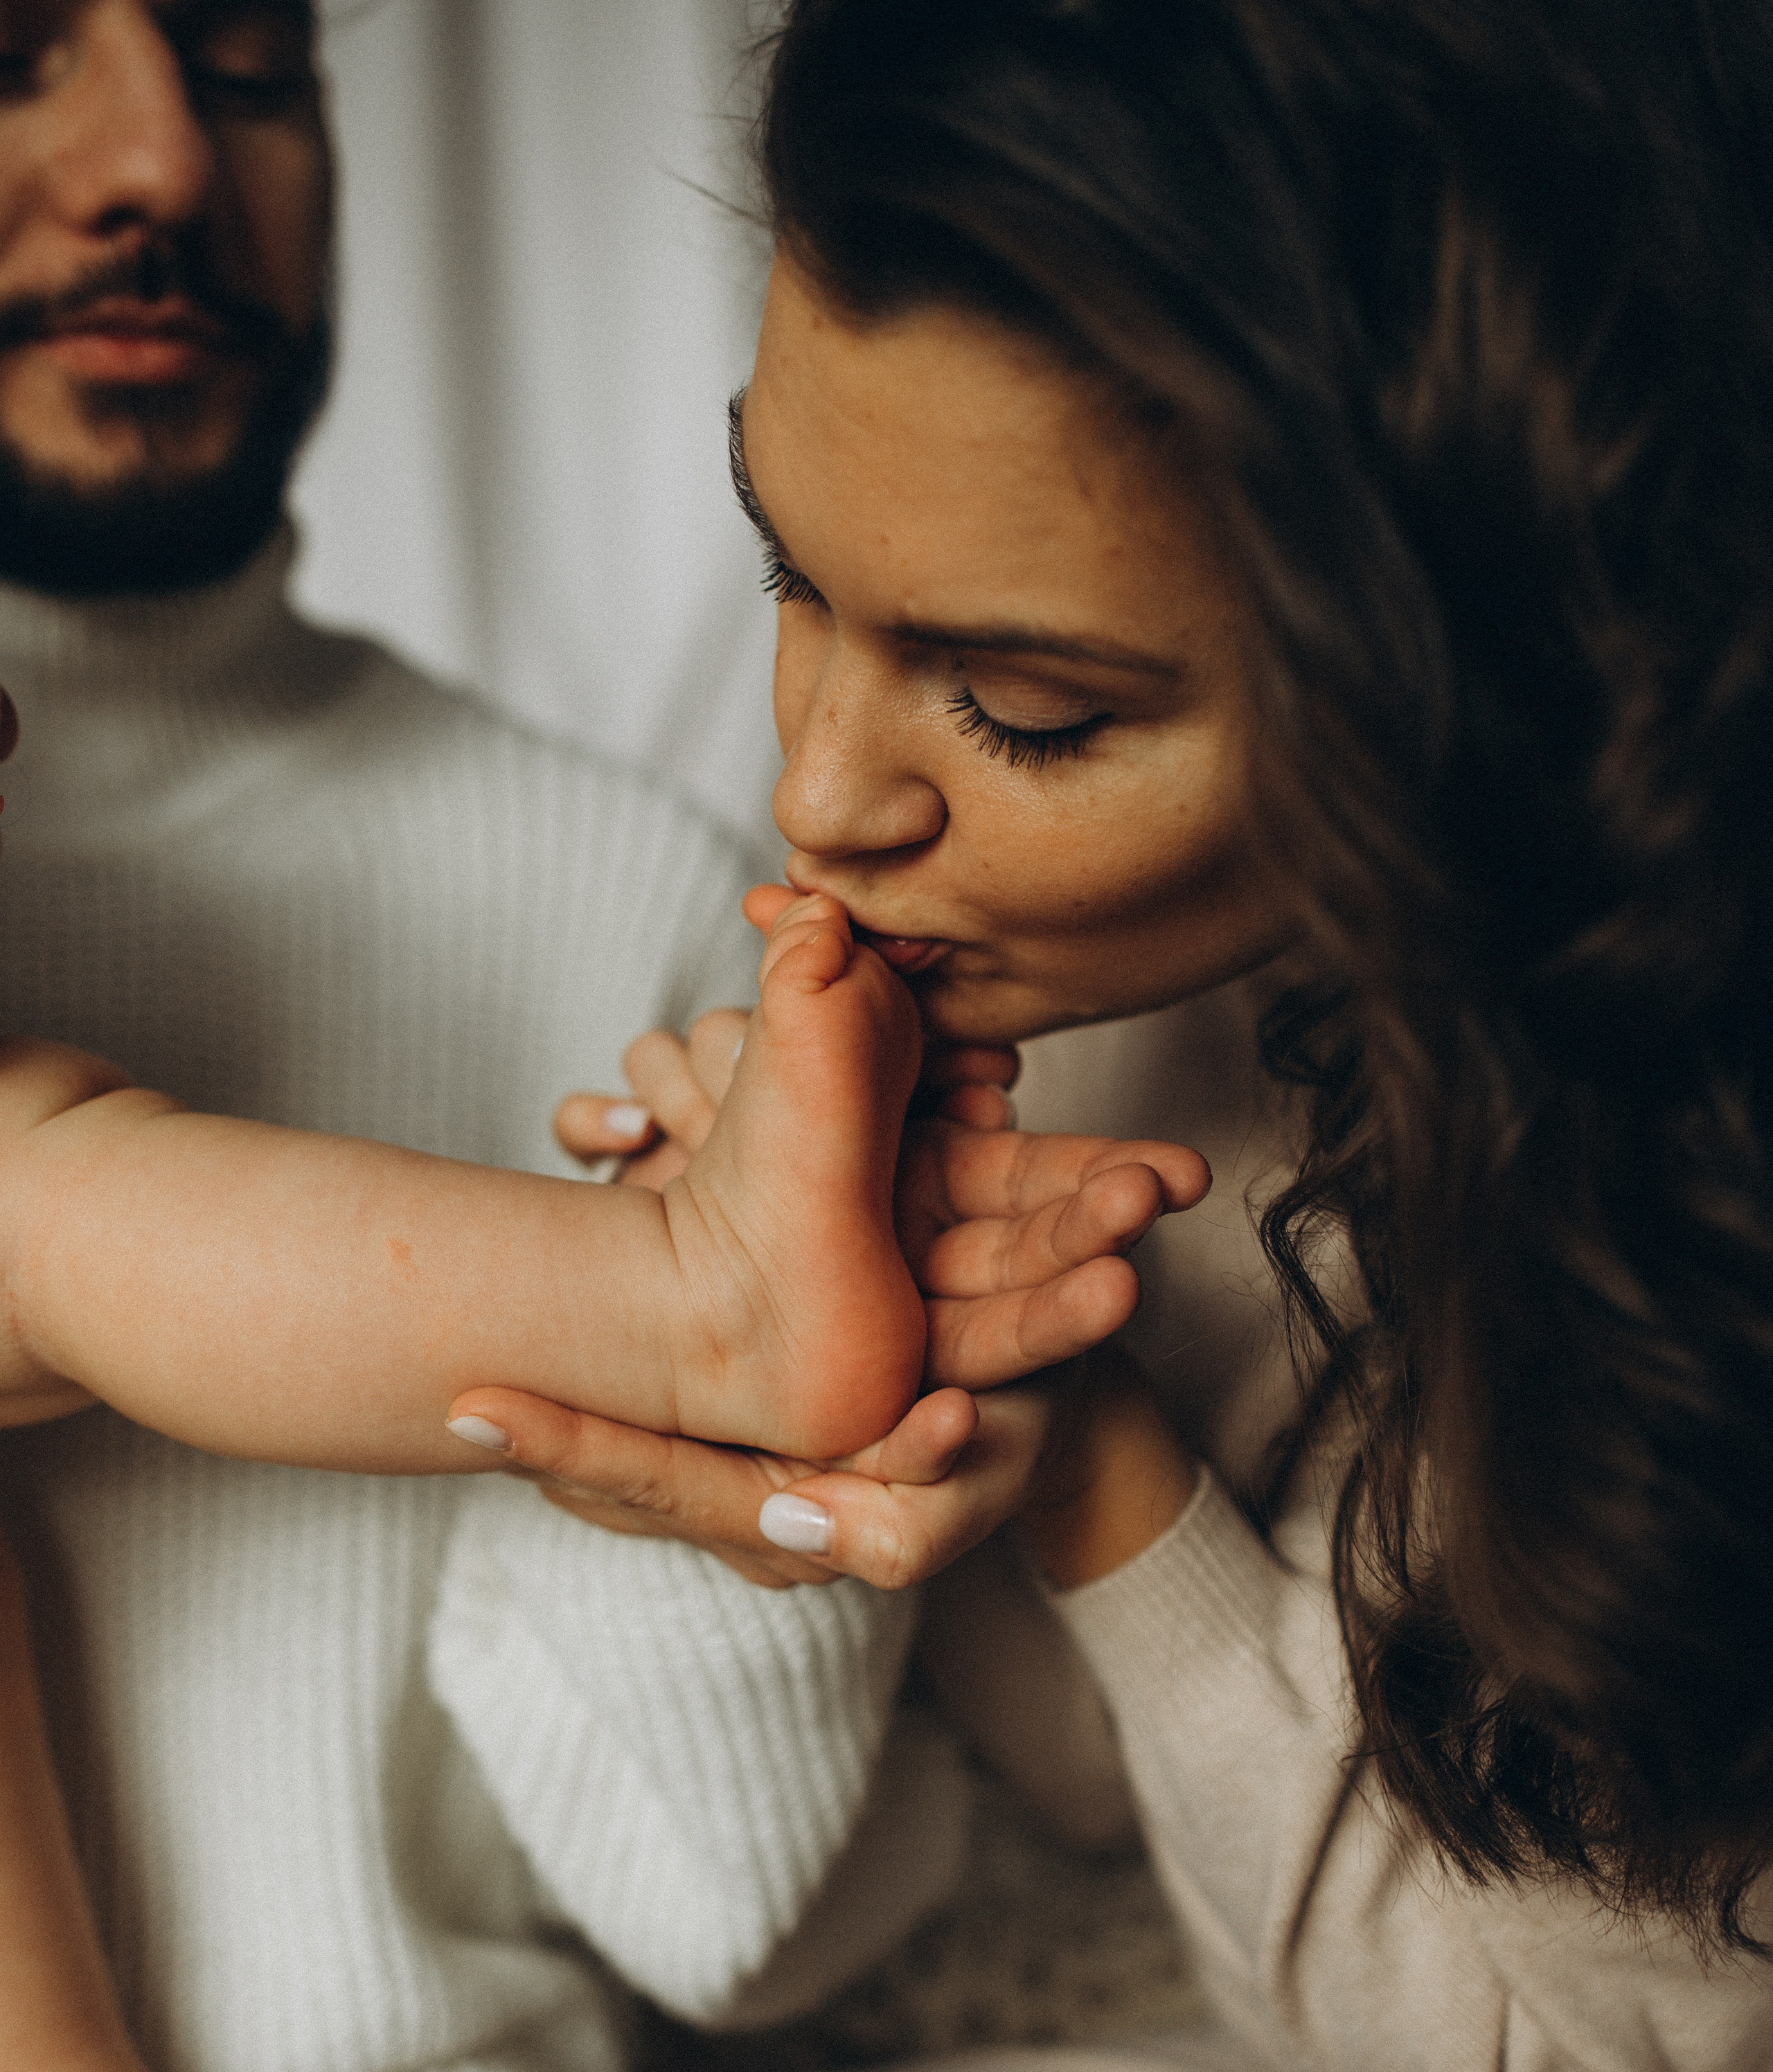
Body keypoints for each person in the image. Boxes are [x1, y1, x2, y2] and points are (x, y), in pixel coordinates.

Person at [490, 2, 1773, 2064]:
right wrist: (848, 1333)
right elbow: (1070, 1789)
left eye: (1031, 711)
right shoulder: (1029, 961)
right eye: (789, 567)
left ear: (1494, 653)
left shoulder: (1691, 1239)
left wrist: (1092, 1461)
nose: (820, 791)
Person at [0, 3, 1186, 2064]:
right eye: (14, 49)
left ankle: (688, 1303)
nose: (161, 165)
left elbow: (722, 1913)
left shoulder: (634, 890)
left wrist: (767, 1479)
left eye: (253, 61)